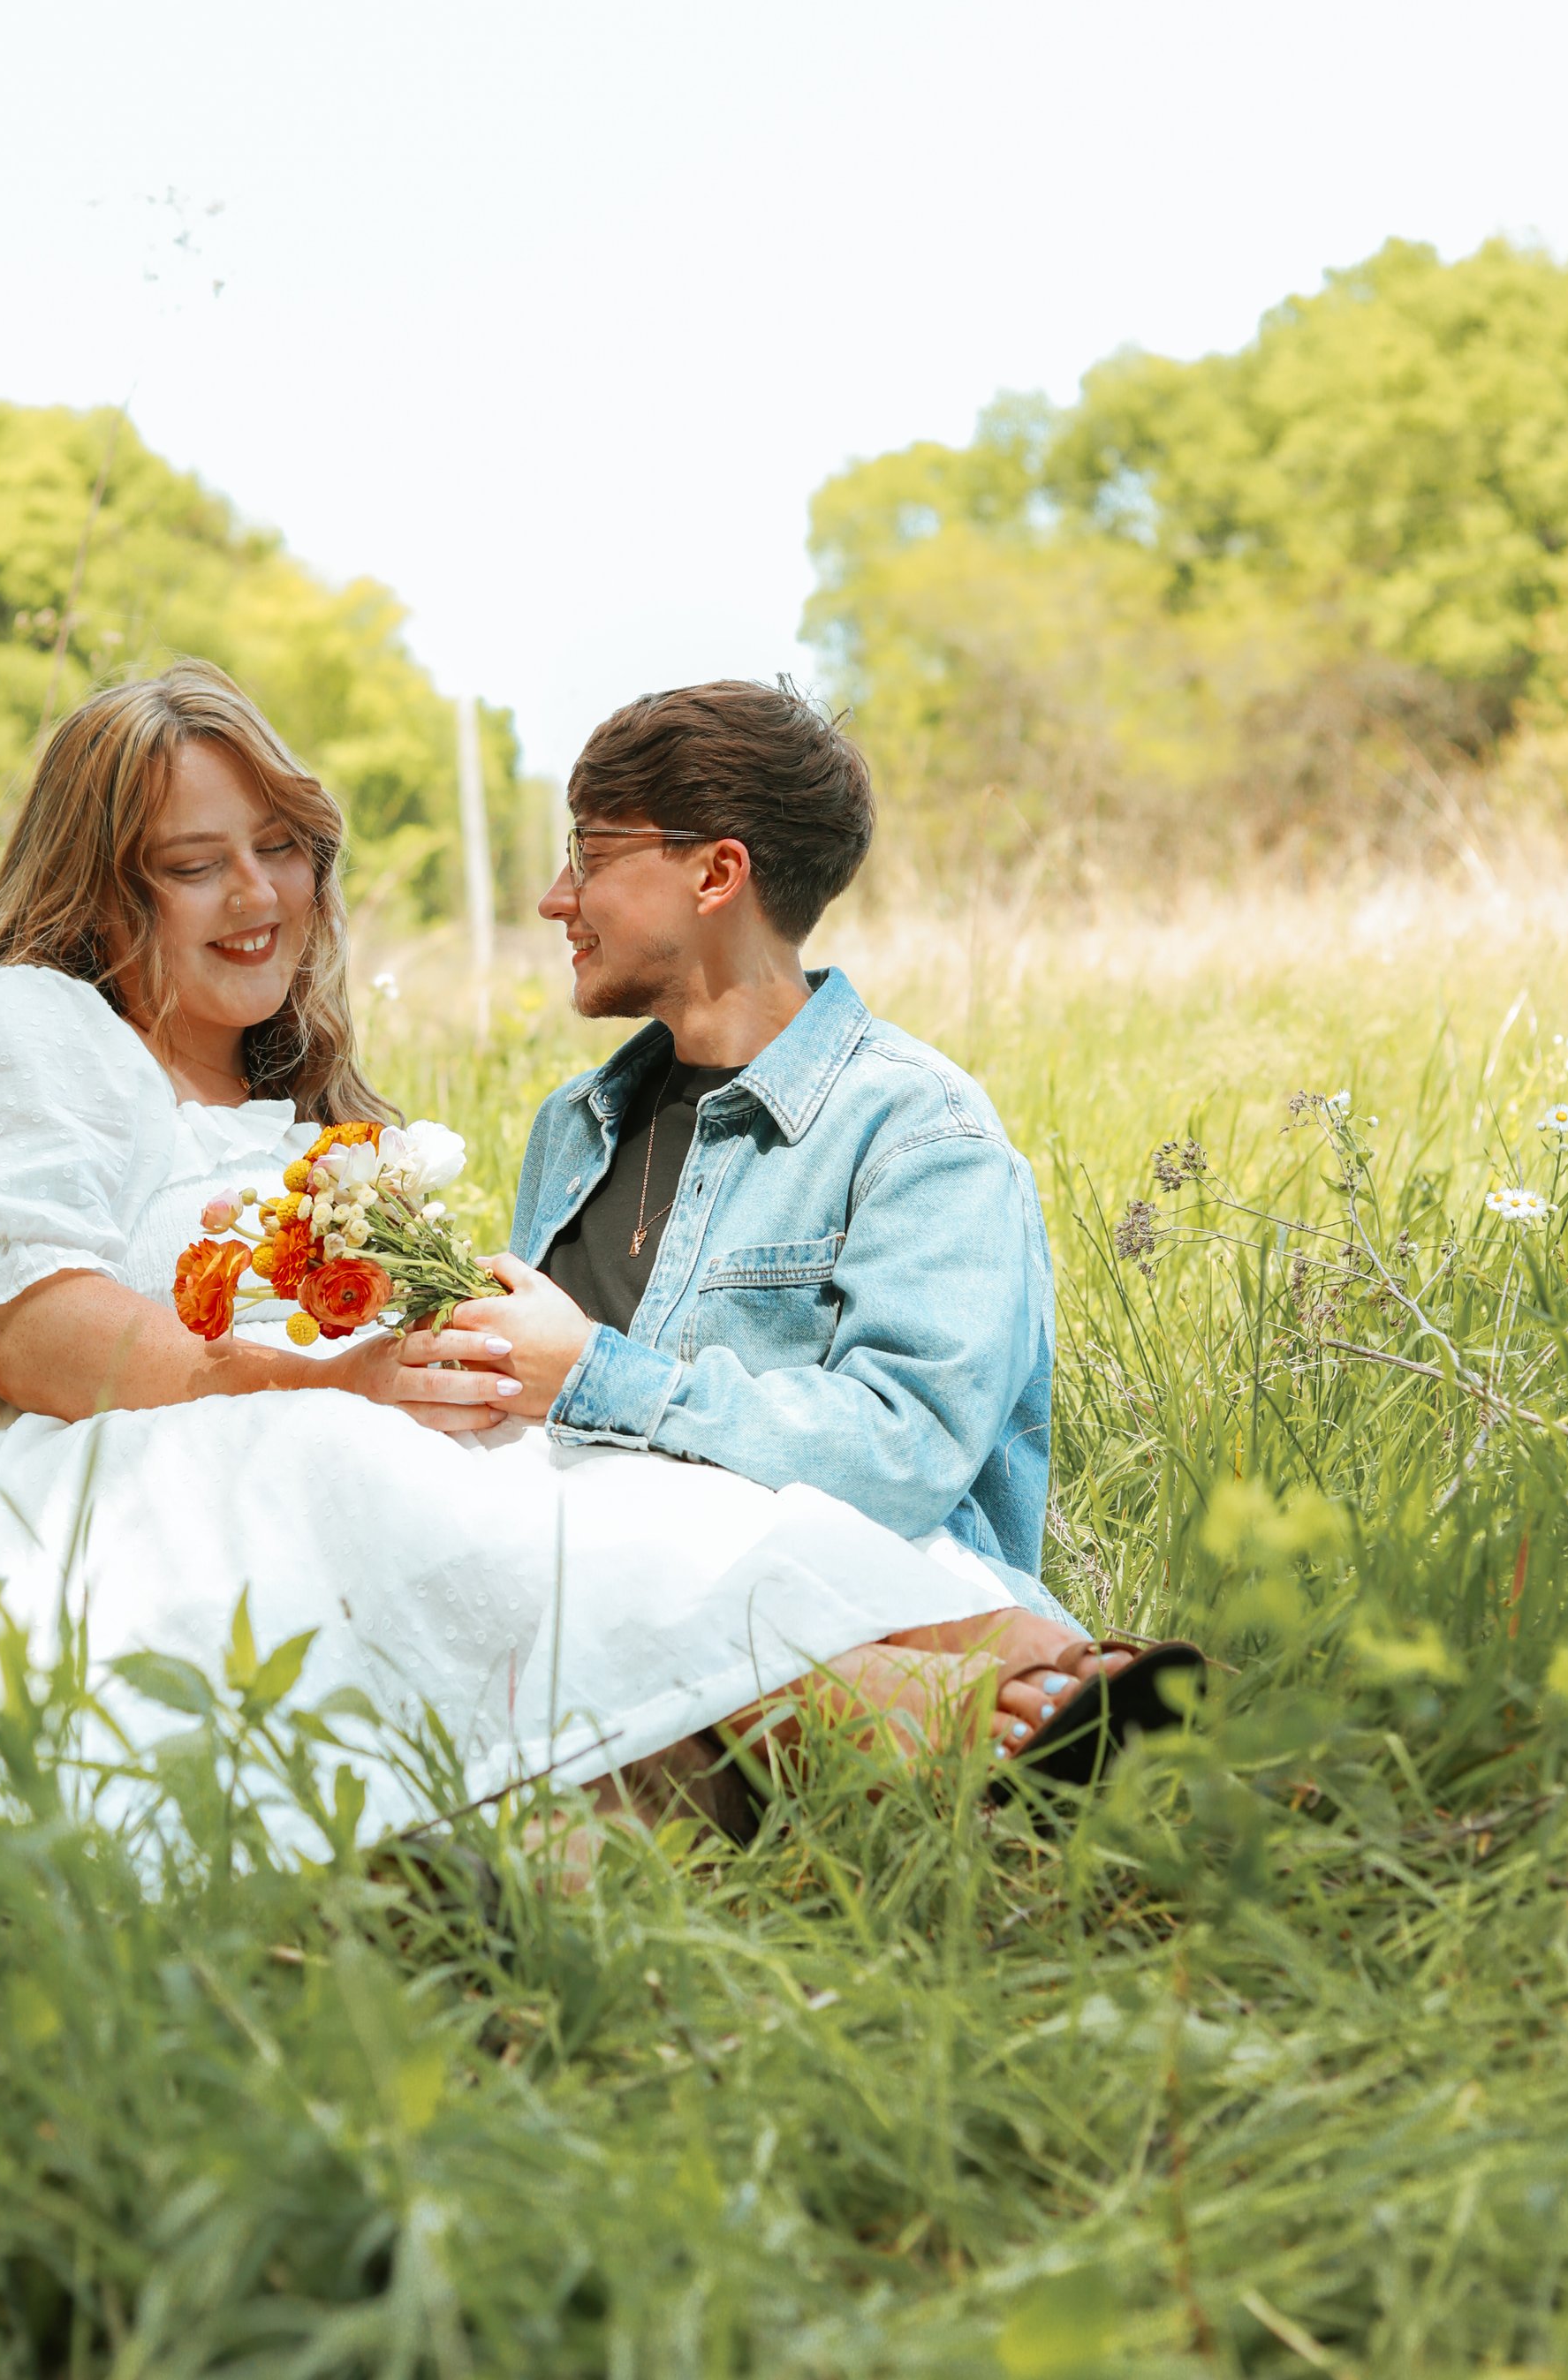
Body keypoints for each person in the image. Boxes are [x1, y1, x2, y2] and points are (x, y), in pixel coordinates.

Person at [0, 661, 1157, 1850]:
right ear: (94, 889)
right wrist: (349, 1390)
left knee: (540, 1513)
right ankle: (947, 1719)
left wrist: (464, 1385)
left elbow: (814, 1440)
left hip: (304, 1472)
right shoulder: (15, 1032)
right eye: (194, 866)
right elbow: (31, 1331)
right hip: (117, 1474)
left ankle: (1021, 1676)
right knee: (451, 1497)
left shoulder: (325, 1129)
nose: (258, 894)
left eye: (281, 846)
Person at [403, 678, 1186, 1819]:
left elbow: (906, 1453)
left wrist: (594, 1375)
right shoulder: (572, 1128)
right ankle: (993, 1718)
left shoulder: (918, 1129)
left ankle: (988, 1730)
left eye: (589, 854)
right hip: (597, 1592)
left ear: (716, 875)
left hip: (854, 1583)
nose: (551, 896)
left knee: (596, 1745)